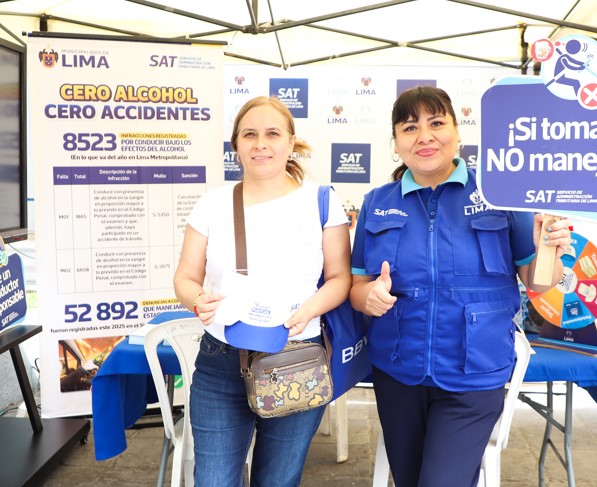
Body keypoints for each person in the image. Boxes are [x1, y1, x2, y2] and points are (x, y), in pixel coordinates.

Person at [349, 86, 572, 487]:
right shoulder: (377, 202)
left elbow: (537, 282)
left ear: (457, 132)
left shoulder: (500, 194)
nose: (424, 136)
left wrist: (548, 249)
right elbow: (357, 287)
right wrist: (370, 298)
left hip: (475, 374)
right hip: (398, 372)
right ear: (396, 143)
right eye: (410, 127)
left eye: (436, 123)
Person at [173, 96, 351, 486]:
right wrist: (197, 299)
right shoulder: (212, 204)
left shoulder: (321, 201)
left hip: (296, 357)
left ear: (291, 142)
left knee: (278, 480)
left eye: (272, 134)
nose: (261, 144)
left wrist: (310, 309)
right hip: (221, 361)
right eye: (249, 134)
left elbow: (340, 278)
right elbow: (185, 277)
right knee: (213, 481)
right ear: (236, 145)